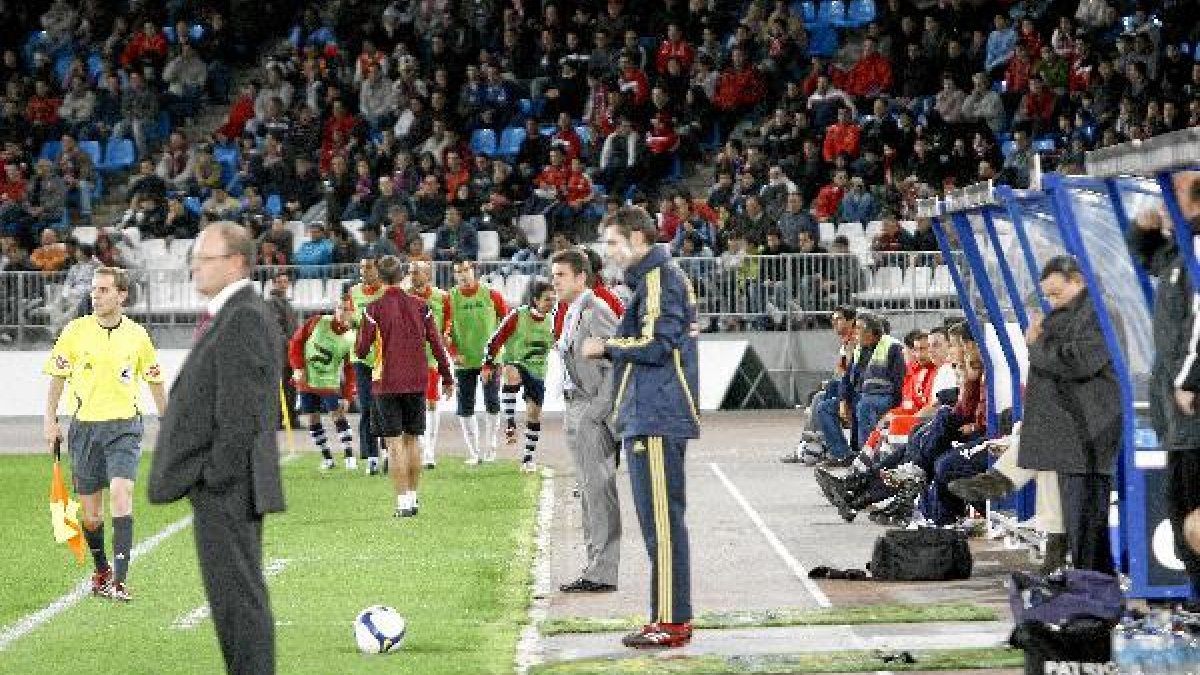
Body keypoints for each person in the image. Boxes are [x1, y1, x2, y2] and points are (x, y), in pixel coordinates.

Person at [149, 222, 285, 675]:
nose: (195, 267)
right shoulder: (234, 312)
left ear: (236, 263)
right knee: (233, 601)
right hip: (228, 485)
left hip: (230, 487)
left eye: (204, 258)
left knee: (238, 602)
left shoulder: (243, 315)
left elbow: (240, 415)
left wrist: (212, 476)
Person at [584, 205, 699, 648]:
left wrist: (607, 346)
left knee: (663, 525)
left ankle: (671, 622)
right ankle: (668, 617)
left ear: (638, 239)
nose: (607, 252)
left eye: (612, 242)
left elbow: (657, 343)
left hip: (657, 412)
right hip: (649, 411)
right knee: (658, 524)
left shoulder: (660, 279)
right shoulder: (653, 280)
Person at [43, 266, 168, 602]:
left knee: (121, 495)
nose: (95, 296)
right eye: (94, 290)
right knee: (92, 516)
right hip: (84, 430)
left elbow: (155, 381)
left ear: (122, 295)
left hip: (124, 427)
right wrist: (50, 420)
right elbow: (57, 377)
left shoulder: (138, 336)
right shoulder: (75, 331)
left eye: (103, 290)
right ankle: (102, 570)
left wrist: (168, 423)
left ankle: (121, 581)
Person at [1018, 255, 1122, 574]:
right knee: (1080, 521)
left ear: (1079, 281)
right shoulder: (1075, 314)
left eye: (1056, 293)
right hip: (1073, 432)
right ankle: (1089, 586)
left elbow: (1079, 362)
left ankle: (1091, 589)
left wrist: (1036, 345)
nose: (1051, 302)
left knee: (1087, 520)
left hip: (1089, 430)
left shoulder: (1099, 313)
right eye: (1047, 295)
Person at [1126, 207, 1200, 603]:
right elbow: (1144, 255)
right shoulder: (1177, 252)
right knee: (1181, 518)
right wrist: (1141, 228)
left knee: (1192, 520)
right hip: (1176, 421)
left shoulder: (1196, 252)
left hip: (1192, 417)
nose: (1164, 204)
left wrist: (1190, 380)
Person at [354, 255, 454, 517]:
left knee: (394, 445)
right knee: (412, 442)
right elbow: (436, 343)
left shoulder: (372, 309)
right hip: (416, 380)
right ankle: (413, 497)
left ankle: (402, 504)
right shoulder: (422, 307)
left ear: (379, 277)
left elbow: (361, 349)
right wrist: (448, 377)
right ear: (403, 275)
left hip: (386, 383)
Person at [551, 247, 622, 594]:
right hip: (576, 406)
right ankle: (594, 565)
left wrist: (598, 412)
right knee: (588, 491)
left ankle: (603, 571)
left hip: (591, 410)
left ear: (581, 277)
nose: (554, 282)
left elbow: (619, 362)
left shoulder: (597, 310)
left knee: (599, 489)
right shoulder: (572, 310)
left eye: (561, 275)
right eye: (553, 275)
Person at [483, 281, 556, 472]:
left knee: (534, 414)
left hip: (538, 371)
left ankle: (528, 458)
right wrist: (488, 363)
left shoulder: (555, 319)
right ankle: (510, 423)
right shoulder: (518, 315)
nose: (551, 303)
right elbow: (496, 338)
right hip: (515, 362)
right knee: (511, 373)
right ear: (535, 300)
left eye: (553, 299)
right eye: (547, 299)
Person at [446, 258, 508, 464]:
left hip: (489, 361)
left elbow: (506, 326)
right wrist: (453, 352)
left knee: (492, 402)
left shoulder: (491, 295)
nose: (462, 275)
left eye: (465, 270)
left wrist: (498, 355)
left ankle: (491, 447)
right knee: (465, 406)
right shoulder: (450, 299)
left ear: (474, 271)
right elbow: (443, 332)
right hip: (464, 361)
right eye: (457, 271)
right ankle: (474, 452)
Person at [288, 302, 358, 471]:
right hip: (306, 379)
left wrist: (348, 396)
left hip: (328, 381)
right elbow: (296, 343)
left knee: (337, 415)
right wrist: (298, 367)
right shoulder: (317, 321)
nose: (342, 312)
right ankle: (327, 458)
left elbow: (350, 370)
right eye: (340, 308)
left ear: (352, 314)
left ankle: (349, 456)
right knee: (312, 418)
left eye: (347, 310)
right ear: (335, 310)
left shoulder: (351, 338)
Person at [405, 261, 452, 468]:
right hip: (407, 357)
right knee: (415, 403)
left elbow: (449, 322)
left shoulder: (442, 297)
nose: (413, 276)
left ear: (428, 274)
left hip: (431, 357)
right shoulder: (403, 296)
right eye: (410, 273)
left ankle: (430, 451)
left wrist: (447, 337)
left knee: (432, 402)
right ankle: (421, 446)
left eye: (416, 273)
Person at [346, 258, 388, 474]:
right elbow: (349, 318)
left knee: (386, 408)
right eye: (361, 267)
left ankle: (388, 453)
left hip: (383, 358)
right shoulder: (354, 292)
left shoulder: (387, 291)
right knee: (366, 408)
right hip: (361, 358)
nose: (363, 271)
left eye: (368, 267)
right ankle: (371, 457)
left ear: (378, 270)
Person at [265, 272, 300, 429]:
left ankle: (292, 419)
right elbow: (276, 328)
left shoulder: (287, 303)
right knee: (280, 388)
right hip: (280, 353)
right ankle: (278, 420)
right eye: (280, 282)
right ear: (274, 284)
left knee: (291, 388)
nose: (283, 285)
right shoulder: (272, 303)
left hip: (291, 353)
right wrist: (289, 343)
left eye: (286, 281)